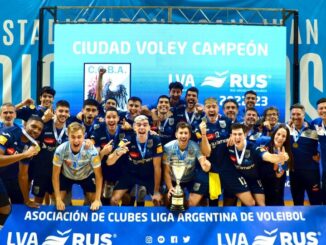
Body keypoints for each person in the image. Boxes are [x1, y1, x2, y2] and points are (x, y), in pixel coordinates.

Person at [110, 115, 162, 206]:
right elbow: (109, 162)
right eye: (138, 125)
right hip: (131, 174)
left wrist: (156, 191)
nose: (142, 127)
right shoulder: (127, 139)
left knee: (159, 201)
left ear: (149, 127)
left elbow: (157, 167)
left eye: (145, 125)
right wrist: (117, 153)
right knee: (114, 200)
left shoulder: (156, 140)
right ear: (134, 127)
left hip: (148, 175)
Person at [0, 116, 43, 226]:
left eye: (39, 129)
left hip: (9, 177)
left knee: (20, 206)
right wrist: (24, 154)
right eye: (33, 126)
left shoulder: (31, 145)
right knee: (5, 208)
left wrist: (27, 199)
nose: (36, 131)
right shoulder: (8, 133)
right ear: (25, 125)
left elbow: (23, 175)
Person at [52, 122, 103, 211]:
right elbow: (55, 175)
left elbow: (99, 176)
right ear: (68, 136)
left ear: (84, 136)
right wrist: (58, 199)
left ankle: (86, 207)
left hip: (86, 176)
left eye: (79, 137)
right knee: (57, 202)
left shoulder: (91, 150)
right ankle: (68, 205)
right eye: (73, 137)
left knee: (96, 203)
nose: (76, 141)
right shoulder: (60, 149)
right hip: (67, 176)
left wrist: (97, 200)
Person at [28, 100, 71, 205]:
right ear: (55, 111)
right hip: (41, 171)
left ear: (69, 113)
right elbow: (30, 135)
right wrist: (43, 119)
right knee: (37, 201)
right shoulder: (45, 124)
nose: (63, 114)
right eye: (61, 111)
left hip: (60, 172)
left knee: (58, 201)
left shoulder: (71, 127)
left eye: (66, 111)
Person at [195, 97, 232, 206]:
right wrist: (203, 134)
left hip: (227, 166)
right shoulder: (199, 125)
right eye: (208, 107)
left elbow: (237, 136)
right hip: (212, 168)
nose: (211, 109)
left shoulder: (226, 121)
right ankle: (211, 222)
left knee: (230, 196)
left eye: (214, 107)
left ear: (218, 108)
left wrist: (232, 137)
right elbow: (206, 152)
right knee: (213, 198)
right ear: (205, 109)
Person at [164, 122, 211, 206]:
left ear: (189, 135)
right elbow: (166, 171)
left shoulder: (195, 146)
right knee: (167, 201)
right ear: (176, 134)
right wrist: (170, 187)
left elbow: (203, 165)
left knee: (196, 202)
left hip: (191, 179)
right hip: (174, 180)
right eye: (181, 133)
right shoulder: (167, 147)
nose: (183, 136)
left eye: (186, 133)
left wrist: (207, 166)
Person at [90, 107, 130, 205]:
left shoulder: (125, 131)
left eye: (114, 117)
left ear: (118, 119)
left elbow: (126, 143)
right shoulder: (98, 131)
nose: (111, 120)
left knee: (124, 197)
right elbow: (96, 159)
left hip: (121, 169)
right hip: (104, 169)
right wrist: (103, 152)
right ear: (105, 119)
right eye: (108, 117)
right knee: (103, 196)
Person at [288, 104, 321, 205]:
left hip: (311, 173)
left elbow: (323, 143)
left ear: (304, 114)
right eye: (293, 114)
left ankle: (318, 221)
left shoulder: (314, 129)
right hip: (294, 172)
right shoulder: (286, 129)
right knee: (297, 202)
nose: (296, 116)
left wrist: (319, 153)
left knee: (315, 201)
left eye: (298, 114)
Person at [224, 123, 265, 206]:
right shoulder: (228, 145)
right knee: (228, 204)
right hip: (236, 178)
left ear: (245, 135)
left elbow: (265, 155)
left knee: (261, 205)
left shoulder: (252, 146)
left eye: (240, 134)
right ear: (231, 135)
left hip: (253, 178)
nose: (237, 137)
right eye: (234, 134)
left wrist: (277, 158)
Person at [255, 124, 293, 206]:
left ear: (286, 138)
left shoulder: (286, 149)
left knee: (277, 206)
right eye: (278, 134)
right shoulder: (263, 142)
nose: (280, 138)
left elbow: (283, 170)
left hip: (276, 183)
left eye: (283, 136)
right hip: (261, 181)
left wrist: (282, 163)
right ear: (274, 134)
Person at [310, 98, 326, 203]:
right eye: (321, 108)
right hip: (323, 163)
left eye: (325, 108)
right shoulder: (315, 123)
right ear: (317, 110)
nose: (323, 110)